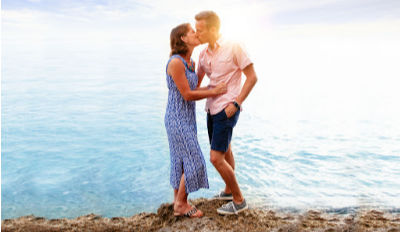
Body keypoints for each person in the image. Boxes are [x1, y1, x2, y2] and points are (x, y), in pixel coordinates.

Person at [195, 11, 258, 215]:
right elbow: (196, 83)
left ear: (214, 29)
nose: (197, 33)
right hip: (211, 109)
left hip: (227, 109)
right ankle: (229, 191)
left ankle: (239, 200)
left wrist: (237, 103)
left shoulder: (234, 46)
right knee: (226, 149)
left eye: (200, 29)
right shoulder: (203, 54)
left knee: (215, 157)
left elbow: (252, 77)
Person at [165, 23, 227, 218]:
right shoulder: (175, 62)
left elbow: (194, 88)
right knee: (195, 160)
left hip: (188, 119)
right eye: (193, 31)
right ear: (183, 38)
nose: (196, 33)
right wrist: (212, 91)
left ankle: (178, 201)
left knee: (181, 161)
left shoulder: (190, 62)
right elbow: (187, 94)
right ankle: (182, 204)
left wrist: (211, 86)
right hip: (176, 119)